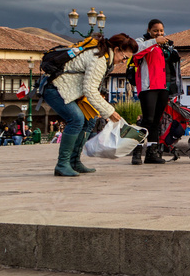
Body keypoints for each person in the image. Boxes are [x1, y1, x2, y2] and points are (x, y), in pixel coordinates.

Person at [42, 33, 137, 176]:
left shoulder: (104, 57)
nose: (123, 61)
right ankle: (62, 164)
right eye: (124, 57)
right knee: (76, 119)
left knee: (90, 119)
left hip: (68, 91)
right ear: (116, 49)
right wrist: (109, 111)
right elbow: (90, 90)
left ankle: (74, 162)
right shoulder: (99, 59)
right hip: (55, 89)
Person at [131, 19, 182, 165]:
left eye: (161, 31)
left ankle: (151, 153)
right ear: (149, 30)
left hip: (163, 87)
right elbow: (136, 51)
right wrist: (154, 41)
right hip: (148, 86)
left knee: (156, 122)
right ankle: (137, 150)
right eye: (155, 31)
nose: (159, 33)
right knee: (147, 120)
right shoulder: (142, 41)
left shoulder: (165, 46)